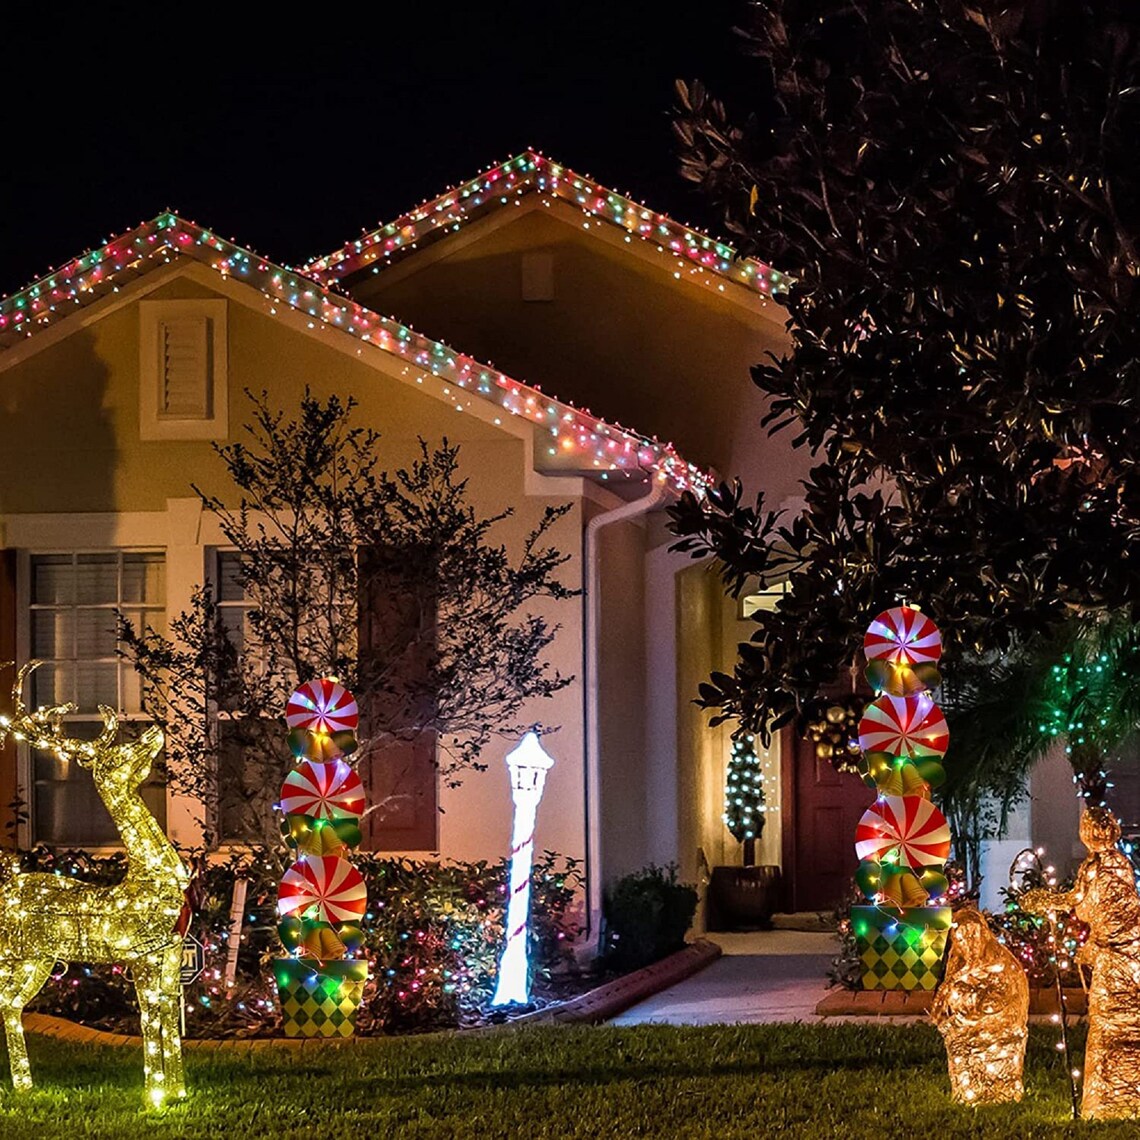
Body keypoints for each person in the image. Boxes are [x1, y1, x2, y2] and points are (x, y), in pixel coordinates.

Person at [1023, 807, 1140, 1120]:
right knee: (1127, 1022)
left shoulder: (1098, 865)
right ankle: (1127, 1094)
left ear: (1086, 832)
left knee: (1109, 1022)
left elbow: (1079, 901)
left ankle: (1109, 1100)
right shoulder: (1121, 863)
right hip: (1131, 954)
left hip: (1114, 957)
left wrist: (1045, 901)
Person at [930, 906, 1029, 1104]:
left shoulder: (1002, 965)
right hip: (967, 1026)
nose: (970, 945)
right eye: (963, 939)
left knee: (976, 1045)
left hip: (999, 1028)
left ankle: (1000, 1092)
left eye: (974, 937)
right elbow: (944, 1003)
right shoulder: (960, 967)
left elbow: (1004, 1002)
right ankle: (971, 1091)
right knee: (958, 1045)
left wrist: (974, 1001)